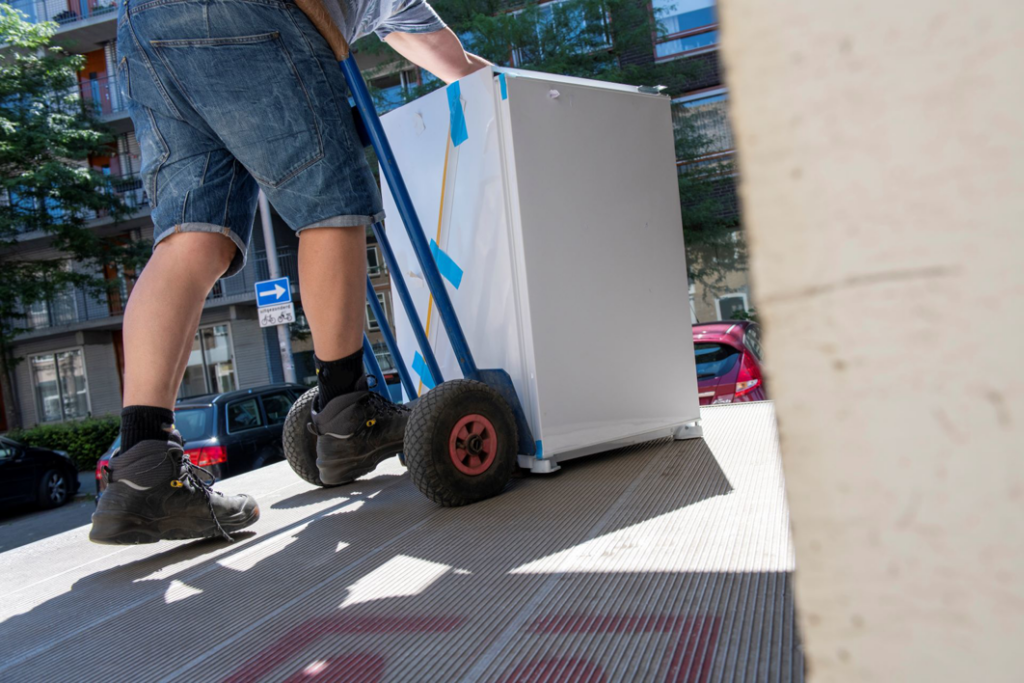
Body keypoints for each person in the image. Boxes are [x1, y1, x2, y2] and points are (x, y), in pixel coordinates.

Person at [89, 0, 490, 544]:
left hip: (144, 26)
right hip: (248, 15)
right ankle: (348, 411)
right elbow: (455, 63)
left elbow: (429, 42)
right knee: (329, 203)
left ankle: (142, 466)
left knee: (191, 236)